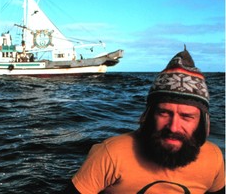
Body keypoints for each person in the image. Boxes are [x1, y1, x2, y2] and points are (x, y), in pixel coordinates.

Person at [64, 48, 225, 193]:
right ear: (149, 115)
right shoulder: (111, 155)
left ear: (202, 122)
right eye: (164, 113)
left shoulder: (213, 158)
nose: (174, 127)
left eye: (186, 116)